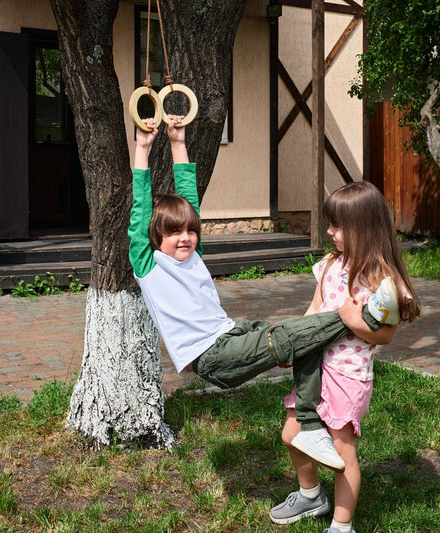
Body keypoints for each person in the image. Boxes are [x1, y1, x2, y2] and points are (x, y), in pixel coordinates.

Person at [128, 116, 366, 471]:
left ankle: (308, 422)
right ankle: (358, 315)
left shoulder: (193, 255)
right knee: (291, 336)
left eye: (190, 231)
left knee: (303, 337)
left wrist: (178, 142)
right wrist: (143, 148)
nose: (186, 238)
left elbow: (189, 196)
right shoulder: (148, 264)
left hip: (231, 332)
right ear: (153, 238)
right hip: (212, 357)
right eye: (174, 233)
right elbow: (140, 206)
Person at [269, 181, 421, 533]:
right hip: (315, 370)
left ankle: (342, 525)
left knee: (340, 452)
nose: (330, 232)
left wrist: (355, 322)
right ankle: (311, 496)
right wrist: (294, 344)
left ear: (365, 228)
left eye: (337, 226)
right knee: (292, 434)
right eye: (330, 224)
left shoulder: (382, 280)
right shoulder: (328, 265)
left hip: (348, 376)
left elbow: (386, 334)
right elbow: (315, 308)